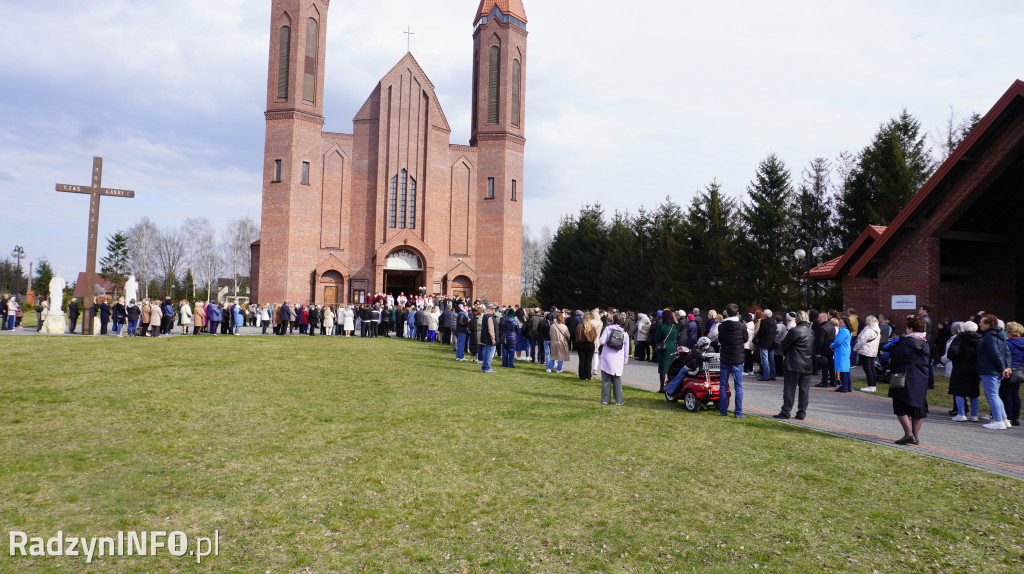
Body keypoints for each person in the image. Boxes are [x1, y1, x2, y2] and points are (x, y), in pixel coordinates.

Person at [889, 316, 934, 445]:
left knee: (900, 405)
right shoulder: (926, 342)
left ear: (911, 329)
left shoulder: (906, 342)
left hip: (905, 376)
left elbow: (896, 358)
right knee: (918, 407)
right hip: (922, 377)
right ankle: (915, 436)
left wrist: (891, 369)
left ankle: (908, 434)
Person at [774, 311, 815, 420]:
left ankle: (786, 411)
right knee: (804, 389)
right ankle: (801, 412)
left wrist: (784, 351)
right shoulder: (811, 331)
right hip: (807, 363)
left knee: (789, 388)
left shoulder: (794, 331)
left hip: (793, 363)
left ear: (797, 319)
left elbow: (784, 346)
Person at [977, 314, 1013, 430]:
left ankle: (998, 420)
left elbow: (994, 354)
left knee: (992, 395)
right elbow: (1006, 353)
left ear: (988, 324)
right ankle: (1004, 419)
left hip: (990, 370)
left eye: (982, 322)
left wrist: (1003, 368)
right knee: (996, 395)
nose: (980, 324)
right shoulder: (1001, 335)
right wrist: (1006, 367)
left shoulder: (988, 336)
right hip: (997, 370)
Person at [718, 303, 749, 418]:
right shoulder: (742, 326)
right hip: (737, 358)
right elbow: (745, 339)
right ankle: (738, 412)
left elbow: (720, 340)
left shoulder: (721, 326)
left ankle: (723, 410)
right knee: (738, 386)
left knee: (723, 385)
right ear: (737, 313)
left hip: (725, 357)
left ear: (726, 313)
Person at [947, 321, 982, 421]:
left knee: (959, 390)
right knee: (974, 392)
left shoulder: (959, 338)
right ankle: (974, 415)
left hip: (960, 367)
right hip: (974, 368)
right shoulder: (980, 339)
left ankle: (961, 414)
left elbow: (952, 352)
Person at [598, 314, 630, 405]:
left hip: (607, 357)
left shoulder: (608, 328)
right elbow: (627, 348)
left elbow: (602, 341)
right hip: (618, 358)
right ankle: (619, 401)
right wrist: (625, 359)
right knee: (617, 379)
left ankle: (605, 399)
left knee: (606, 379)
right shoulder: (624, 332)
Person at [1002, 322, 1023, 427]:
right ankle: (1016, 417)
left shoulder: (1007, 343)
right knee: (1015, 393)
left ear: (1009, 332)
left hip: (1008, 369)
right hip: (1019, 370)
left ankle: (1008, 416)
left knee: (1005, 394)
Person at [653, 308, 678, 392]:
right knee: (671, 368)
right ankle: (671, 386)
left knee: (663, 368)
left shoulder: (661, 326)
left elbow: (657, 338)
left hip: (664, 348)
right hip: (673, 347)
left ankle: (662, 387)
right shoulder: (674, 326)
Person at [854, 315, 881, 392]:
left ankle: (871, 385)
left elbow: (861, 341)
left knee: (868, 369)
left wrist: (855, 349)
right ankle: (873, 385)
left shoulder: (867, 331)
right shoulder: (877, 330)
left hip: (865, 351)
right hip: (873, 351)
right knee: (872, 369)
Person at [813, 312, 837, 387]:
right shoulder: (831, 326)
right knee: (831, 366)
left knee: (824, 367)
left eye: (820, 317)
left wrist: (818, 352)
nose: (818, 319)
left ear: (825, 318)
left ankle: (824, 382)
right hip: (830, 349)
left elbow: (820, 341)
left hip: (824, 350)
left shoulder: (822, 328)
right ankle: (833, 381)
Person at [754, 310, 777, 381]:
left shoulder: (764, 322)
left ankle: (765, 375)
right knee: (772, 360)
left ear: (765, 315)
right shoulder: (774, 322)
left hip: (764, 343)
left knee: (764, 360)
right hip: (771, 342)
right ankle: (773, 375)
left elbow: (760, 332)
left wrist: (756, 338)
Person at [479, 304, 498, 373]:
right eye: (494, 308)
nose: (495, 310)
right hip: (489, 338)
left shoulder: (485, 315)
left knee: (487, 353)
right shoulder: (489, 316)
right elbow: (491, 328)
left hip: (485, 337)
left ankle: (484, 367)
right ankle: (487, 367)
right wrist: (493, 338)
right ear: (491, 309)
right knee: (490, 354)